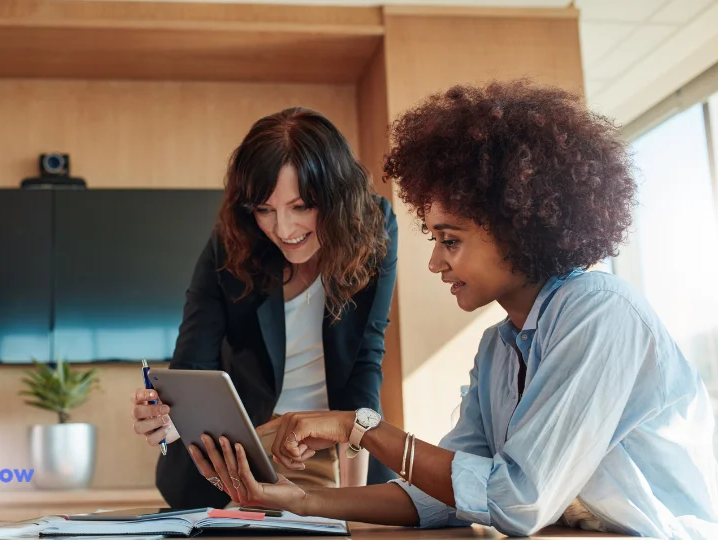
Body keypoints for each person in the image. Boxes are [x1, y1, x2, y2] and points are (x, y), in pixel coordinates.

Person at [188, 80, 718, 539]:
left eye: (450, 240)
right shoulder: (499, 349)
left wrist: (359, 425)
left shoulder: (600, 314)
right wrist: (298, 501)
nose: (434, 261)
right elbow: (442, 496)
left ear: (518, 229)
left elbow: (517, 500)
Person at [130, 106, 399, 509]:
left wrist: (354, 500)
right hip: (240, 456)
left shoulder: (372, 227)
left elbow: (365, 359)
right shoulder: (232, 241)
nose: (283, 230)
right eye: (265, 210)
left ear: (337, 198)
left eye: (301, 206)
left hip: (338, 449)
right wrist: (167, 419)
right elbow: (193, 366)